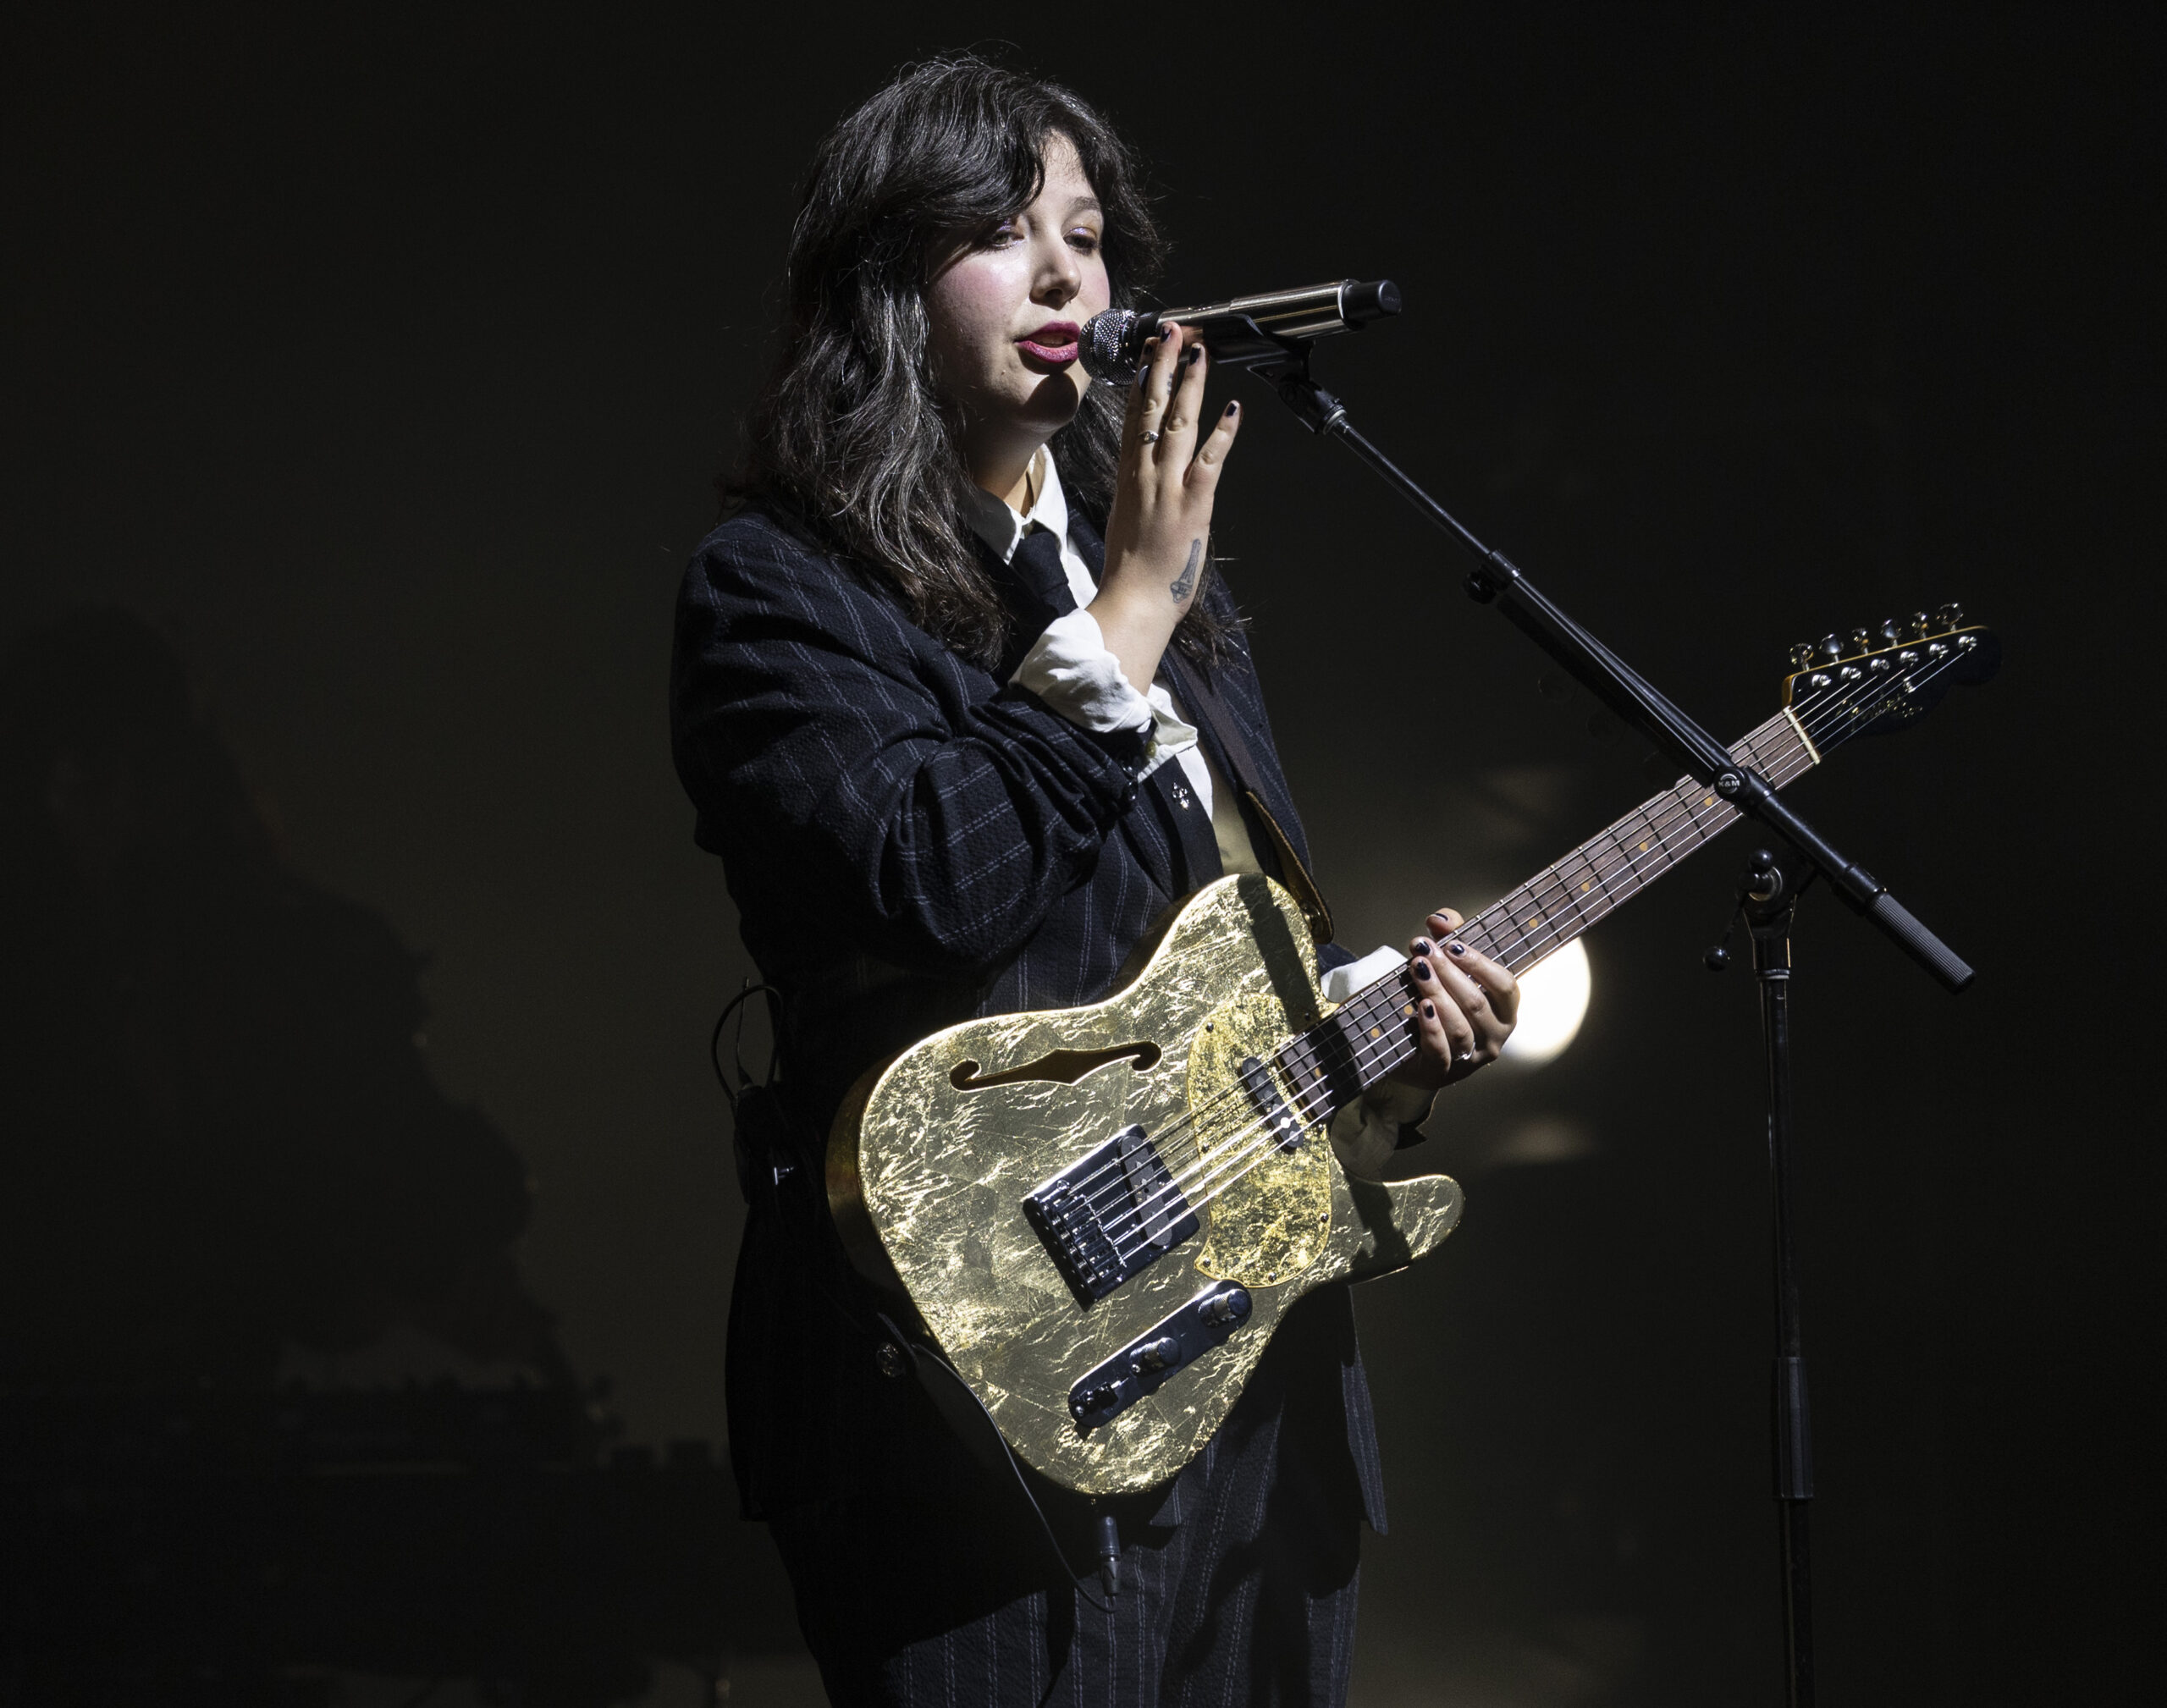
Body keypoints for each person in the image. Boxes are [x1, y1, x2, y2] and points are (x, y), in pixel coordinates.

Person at [670, 58, 1519, 1706]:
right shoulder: (780, 593)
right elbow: (932, 880)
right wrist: (1114, 622)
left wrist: (1385, 1046)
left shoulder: (1184, 609)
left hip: (1256, 1401)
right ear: (886, 287)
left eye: (1085, 233)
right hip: (973, 1412)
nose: (1064, 272)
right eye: (997, 232)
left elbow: (1218, 986)